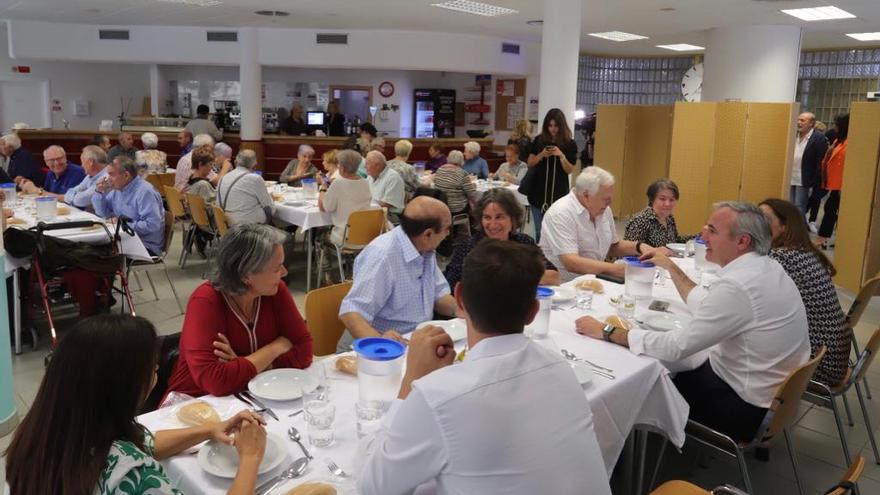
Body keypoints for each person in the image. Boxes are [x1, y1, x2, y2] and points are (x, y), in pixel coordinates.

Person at [358, 240, 610, 495]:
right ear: (533, 311)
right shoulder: (561, 368)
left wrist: (410, 383)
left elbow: (373, 488)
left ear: (459, 298)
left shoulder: (437, 397)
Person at [575, 201, 810, 442]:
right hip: (767, 397)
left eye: (712, 230)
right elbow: (710, 305)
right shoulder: (766, 268)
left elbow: (675, 347)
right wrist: (670, 266)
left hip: (741, 408)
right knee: (677, 366)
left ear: (742, 242)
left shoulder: (738, 286)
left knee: (644, 382)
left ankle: (621, 461)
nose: (702, 235)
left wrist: (607, 330)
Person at [4, 313, 269, 495]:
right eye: (152, 371)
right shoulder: (133, 476)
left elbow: (146, 442)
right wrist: (250, 458)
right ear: (123, 389)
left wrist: (209, 429)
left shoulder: (43, 436)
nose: (156, 375)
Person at [167, 224, 313, 397]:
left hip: (255, 394)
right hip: (195, 402)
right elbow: (216, 382)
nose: (284, 272)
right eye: (276, 268)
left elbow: (305, 350)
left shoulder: (275, 291)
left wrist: (242, 363)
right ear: (245, 275)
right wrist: (274, 348)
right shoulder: (206, 301)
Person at [338, 196, 457, 349]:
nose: (447, 234)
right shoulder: (383, 255)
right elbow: (351, 313)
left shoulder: (425, 249)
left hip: (413, 341)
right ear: (427, 234)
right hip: (376, 345)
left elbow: (439, 296)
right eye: (447, 228)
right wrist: (382, 343)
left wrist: (465, 311)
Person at [759, 199, 850, 386]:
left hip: (816, 365)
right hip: (832, 356)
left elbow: (756, 304)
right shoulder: (803, 252)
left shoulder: (782, 257)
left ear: (785, 227)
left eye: (765, 219)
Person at [540, 166, 661, 282]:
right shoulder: (561, 213)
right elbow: (571, 262)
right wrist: (616, 269)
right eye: (606, 199)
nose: (610, 203)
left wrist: (640, 247)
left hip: (595, 281)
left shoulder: (603, 209)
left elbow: (613, 246)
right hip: (565, 286)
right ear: (586, 195)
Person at [444, 188, 560, 289]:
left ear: (513, 218)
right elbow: (450, 287)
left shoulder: (524, 242)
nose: (493, 224)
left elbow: (553, 276)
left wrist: (512, 279)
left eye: (499, 217)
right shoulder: (469, 248)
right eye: (487, 217)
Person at [523, 108, 578, 242]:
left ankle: (555, 260)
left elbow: (570, 170)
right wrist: (541, 155)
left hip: (558, 195)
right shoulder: (538, 140)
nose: (553, 129)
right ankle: (541, 261)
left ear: (562, 125)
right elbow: (530, 163)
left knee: (556, 232)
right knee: (539, 231)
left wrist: (561, 156)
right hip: (537, 194)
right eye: (550, 125)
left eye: (556, 126)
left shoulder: (570, 144)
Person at [92, 156, 165, 255]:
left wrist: (122, 226)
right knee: (88, 248)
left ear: (126, 175)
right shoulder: (118, 190)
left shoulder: (145, 192)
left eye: (111, 175)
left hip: (145, 245)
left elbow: (152, 225)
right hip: (124, 239)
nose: (108, 179)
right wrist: (99, 192)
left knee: (96, 255)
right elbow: (102, 213)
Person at [318, 149, 373, 245]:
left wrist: (323, 188)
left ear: (342, 168)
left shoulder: (338, 183)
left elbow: (324, 208)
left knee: (319, 235)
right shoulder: (365, 183)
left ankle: (323, 259)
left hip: (344, 237)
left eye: (338, 165)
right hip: (364, 235)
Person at [624, 179, 694, 247]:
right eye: (662, 199)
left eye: (672, 200)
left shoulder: (669, 218)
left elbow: (674, 241)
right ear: (652, 199)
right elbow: (630, 252)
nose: (667, 204)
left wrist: (698, 237)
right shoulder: (640, 221)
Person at [816, 113, 848, 249]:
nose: (834, 127)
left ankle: (823, 239)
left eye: (836, 124)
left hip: (843, 184)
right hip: (835, 183)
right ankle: (824, 239)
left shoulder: (850, 142)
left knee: (832, 209)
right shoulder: (839, 140)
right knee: (831, 209)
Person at [216, 150, 275, 225]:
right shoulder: (255, 179)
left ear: (236, 162)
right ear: (254, 166)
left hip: (225, 226)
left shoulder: (223, 177)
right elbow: (270, 208)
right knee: (286, 235)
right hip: (247, 230)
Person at [790, 112, 828, 215]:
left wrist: (814, 180)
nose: (799, 122)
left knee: (799, 206)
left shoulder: (819, 138)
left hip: (804, 178)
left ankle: (798, 229)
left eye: (802, 120)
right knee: (790, 205)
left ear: (811, 123)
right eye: (798, 120)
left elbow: (820, 161)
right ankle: (792, 227)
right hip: (790, 175)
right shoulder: (793, 135)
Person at [19, 145, 85, 199]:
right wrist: (28, 187)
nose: (56, 163)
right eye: (52, 160)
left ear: (65, 157)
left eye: (59, 158)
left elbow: (68, 199)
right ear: (46, 162)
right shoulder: (51, 172)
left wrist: (37, 191)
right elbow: (46, 194)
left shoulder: (78, 172)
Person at [433, 150, 479, 215]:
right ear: (461, 160)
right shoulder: (462, 173)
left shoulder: (440, 170)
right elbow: (471, 194)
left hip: (441, 206)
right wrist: (473, 187)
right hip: (456, 208)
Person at [365, 149, 405, 224]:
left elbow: (386, 205)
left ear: (377, 166)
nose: (365, 166)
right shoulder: (370, 177)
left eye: (367, 164)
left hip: (389, 215)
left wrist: (365, 208)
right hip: (372, 211)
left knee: (360, 219)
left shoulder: (393, 177)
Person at [65, 145, 110, 209]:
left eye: (82, 162)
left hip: (105, 218)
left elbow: (82, 200)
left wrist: (72, 197)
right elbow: (70, 191)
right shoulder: (90, 176)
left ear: (90, 162)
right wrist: (74, 196)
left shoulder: (107, 177)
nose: (82, 165)